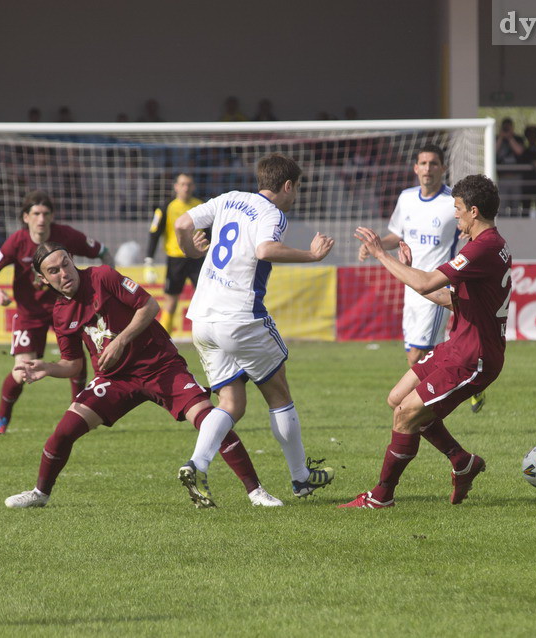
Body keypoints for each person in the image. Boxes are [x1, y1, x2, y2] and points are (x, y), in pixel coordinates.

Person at [4, 243, 282, 508]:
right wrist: (47, 368)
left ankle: (256, 491)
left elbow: (149, 306)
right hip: (114, 379)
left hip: (160, 366)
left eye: (66, 264)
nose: (64, 273)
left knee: (210, 419)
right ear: (43, 278)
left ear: (72, 260)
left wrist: (121, 341)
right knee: (64, 431)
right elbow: (73, 365)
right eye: (54, 271)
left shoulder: (103, 276)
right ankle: (40, 493)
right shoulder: (61, 313)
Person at [173, 153, 336, 508]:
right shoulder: (272, 213)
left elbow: (183, 223)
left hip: (201, 318)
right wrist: (311, 256)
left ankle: (197, 464)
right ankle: (300, 478)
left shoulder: (230, 197)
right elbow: (265, 249)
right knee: (278, 394)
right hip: (240, 317)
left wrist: (190, 253)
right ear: (287, 185)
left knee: (230, 402)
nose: (295, 197)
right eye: (296, 189)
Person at [340, 174, 512, 509]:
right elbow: (452, 298)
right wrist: (412, 270)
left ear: (474, 211)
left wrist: (380, 254)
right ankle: (462, 461)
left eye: (458, 209)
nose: (455, 215)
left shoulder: (481, 248)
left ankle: (381, 496)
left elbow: (425, 285)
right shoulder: (492, 245)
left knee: (406, 415)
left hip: (473, 357)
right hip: (458, 345)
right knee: (397, 399)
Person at [358, 144, 486, 413]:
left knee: (418, 354)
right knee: (415, 355)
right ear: (416, 168)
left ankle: (421, 410)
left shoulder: (454, 201)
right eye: (423, 163)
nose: (428, 168)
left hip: (438, 285)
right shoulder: (406, 198)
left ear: (442, 168)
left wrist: (468, 231)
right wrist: (376, 245)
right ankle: (469, 378)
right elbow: (397, 235)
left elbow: (478, 225)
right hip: (411, 283)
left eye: (433, 163)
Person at [0, 191, 113, 436]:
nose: (41, 219)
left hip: (65, 309)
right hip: (29, 314)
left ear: (52, 216)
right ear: (26, 217)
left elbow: (104, 252)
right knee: (21, 370)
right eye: (36, 214)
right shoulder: (16, 241)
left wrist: (108, 287)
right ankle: (1, 419)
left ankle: (78, 414)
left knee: (77, 362)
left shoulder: (66, 236)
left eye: (45, 214)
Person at [143, 174, 205, 336]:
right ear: (176, 186)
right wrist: (149, 260)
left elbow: (211, 234)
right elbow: (154, 233)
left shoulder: (201, 206)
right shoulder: (166, 207)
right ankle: (164, 339)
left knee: (204, 298)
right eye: (183, 184)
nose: (186, 188)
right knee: (170, 301)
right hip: (175, 260)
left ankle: (206, 335)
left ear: (193, 187)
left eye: (189, 184)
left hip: (198, 259)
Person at [495, 118, 526, 215]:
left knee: (515, 206)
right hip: (503, 178)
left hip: (516, 177)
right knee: (502, 206)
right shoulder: (497, 139)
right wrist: (500, 137)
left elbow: (519, 151)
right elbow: (492, 152)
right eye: (505, 128)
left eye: (508, 127)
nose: (506, 130)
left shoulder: (518, 139)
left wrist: (510, 138)